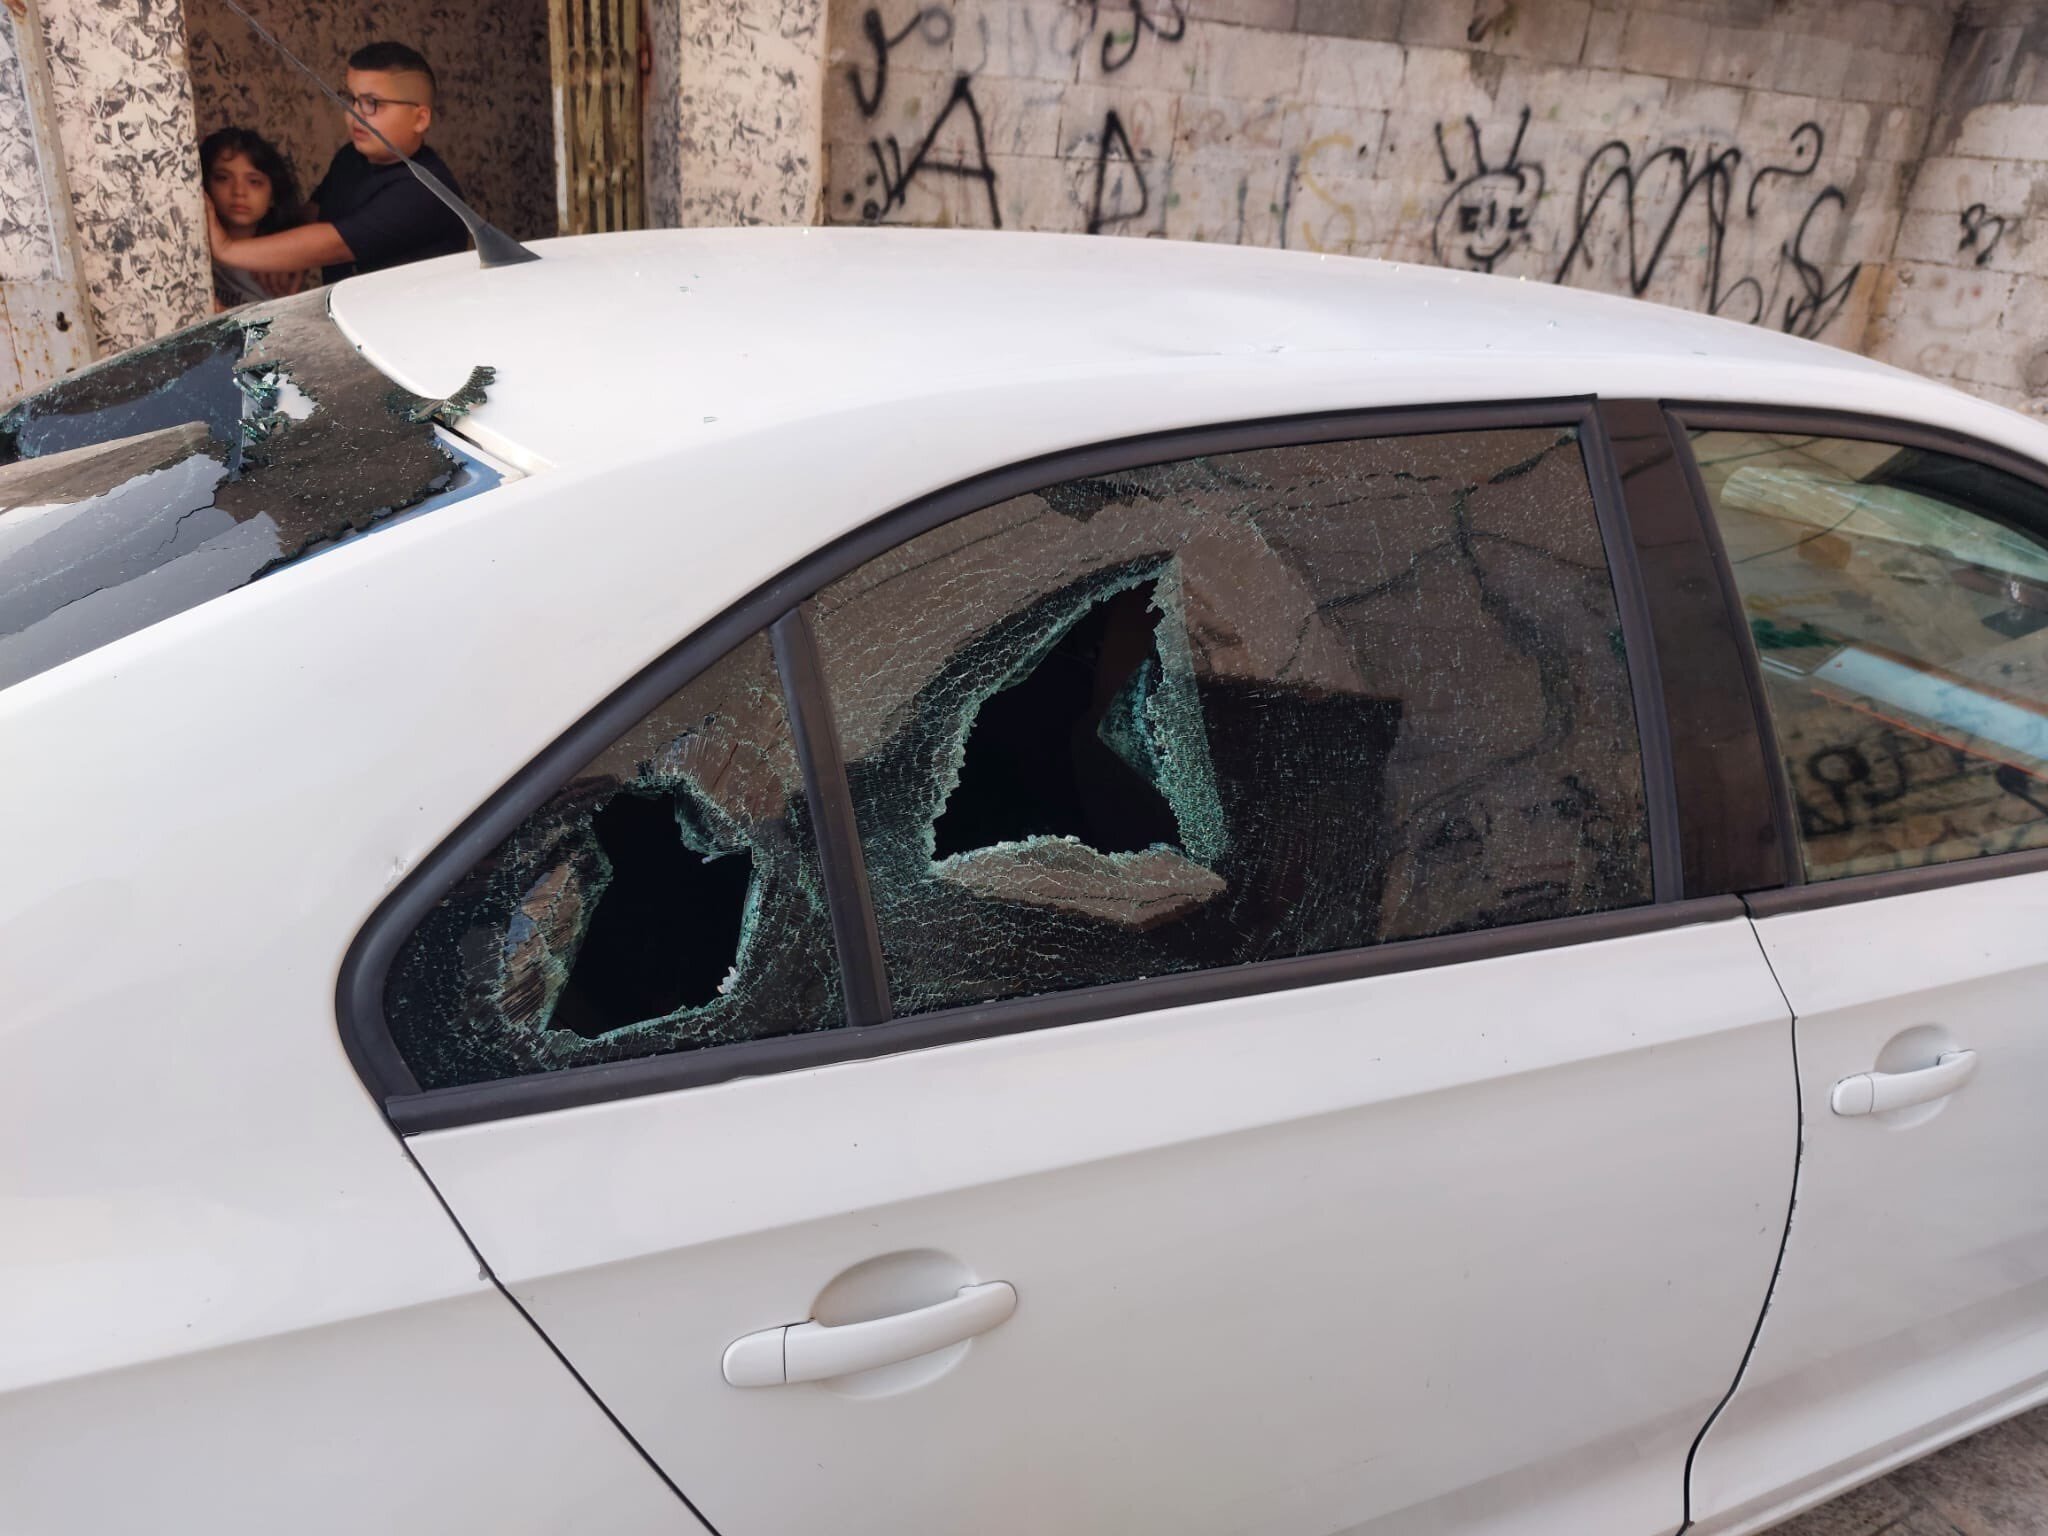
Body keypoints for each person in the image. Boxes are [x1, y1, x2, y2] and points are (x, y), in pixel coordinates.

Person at [205, 42, 469, 288]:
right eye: (351, 99)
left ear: (420, 119)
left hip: (405, 330)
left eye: (371, 104)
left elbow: (333, 244)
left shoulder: (426, 191)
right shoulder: (351, 158)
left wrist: (226, 249)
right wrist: (278, 255)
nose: (354, 114)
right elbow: (311, 216)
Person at [200, 127, 306, 309]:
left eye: (254, 182)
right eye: (223, 178)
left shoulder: (279, 267)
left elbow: (280, 332)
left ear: (273, 194)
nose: (239, 192)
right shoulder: (192, 253)